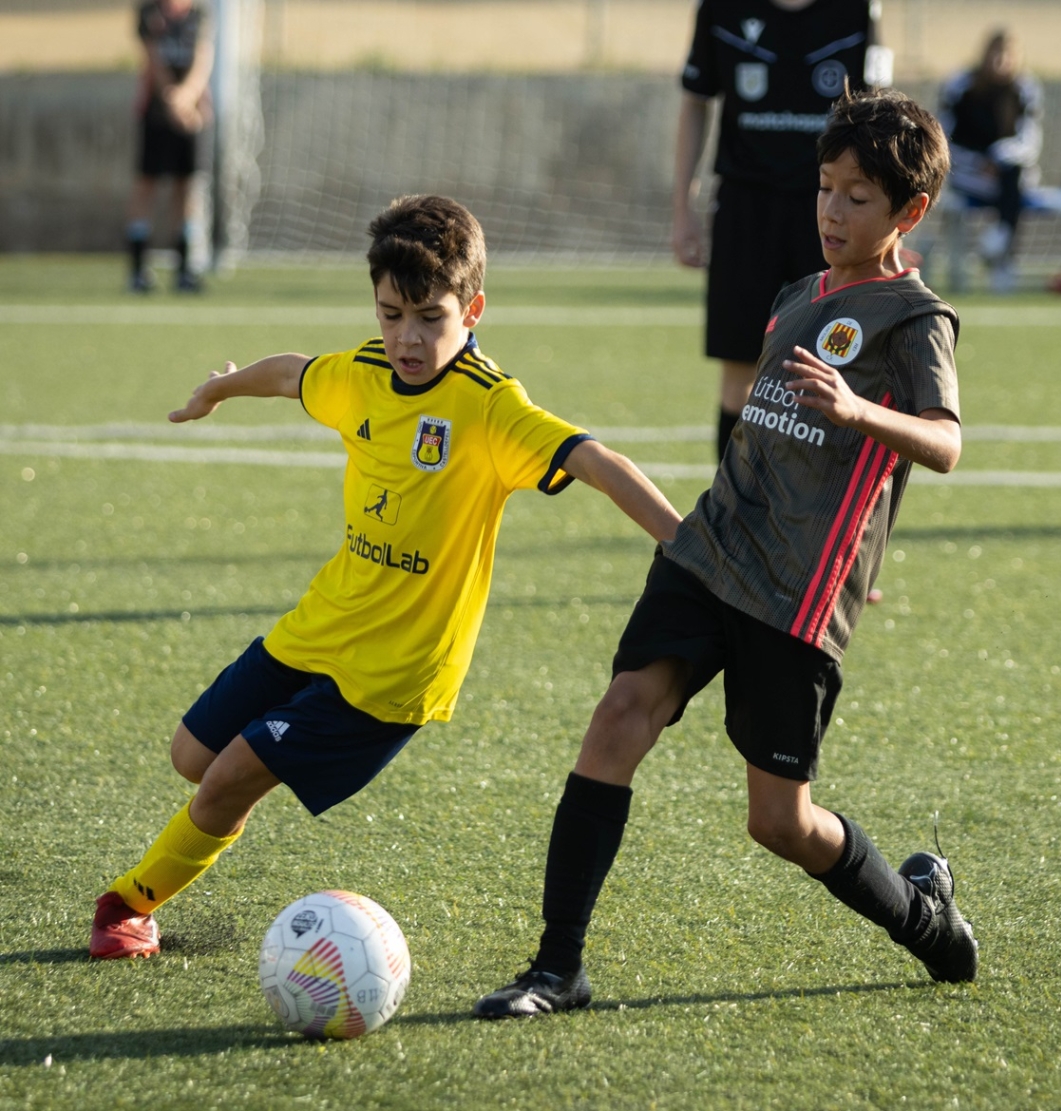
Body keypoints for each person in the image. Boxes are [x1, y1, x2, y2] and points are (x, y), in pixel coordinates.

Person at [475, 86, 977, 1020]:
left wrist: (860, 410)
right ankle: (556, 969)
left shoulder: (916, 321)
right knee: (619, 714)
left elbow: (946, 442)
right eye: (825, 188)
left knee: (778, 822)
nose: (831, 209)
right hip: (712, 553)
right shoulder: (797, 294)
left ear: (910, 211)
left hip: (797, 595)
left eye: (858, 196)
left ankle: (922, 914)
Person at [90, 195, 683, 960]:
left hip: (392, 674)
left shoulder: (490, 408)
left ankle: (128, 904)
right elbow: (293, 375)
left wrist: (685, 543)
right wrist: (219, 389)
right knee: (191, 756)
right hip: (322, 625)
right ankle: (195, 835)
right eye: (390, 313)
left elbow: (597, 462)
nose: (407, 336)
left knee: (227, 778)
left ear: (472, 310)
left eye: (429, 318)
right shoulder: (365, 373)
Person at [671, 0, 892, 461]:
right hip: (744, 209)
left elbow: (880, 118)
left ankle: (818, 509)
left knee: (837, 367)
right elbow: (696, 102)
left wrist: (886, 224)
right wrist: (682, 209)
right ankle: (732, 509)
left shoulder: (857, 11)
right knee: (740, 370)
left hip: (831, 207)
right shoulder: (721, 10)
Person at [939, 28, 1043, 293]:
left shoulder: (1025, 88)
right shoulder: (961, 86)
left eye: (1008, 55)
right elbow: (942, 138)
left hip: (1008, 173)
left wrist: (997, 158)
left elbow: (1029, 141)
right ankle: (999, 255)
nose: (1001, 61)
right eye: (996, 54)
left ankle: (999, 253)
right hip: (965, 174)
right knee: (1012, 186)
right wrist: (978, 163)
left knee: (1015, 178)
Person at [127, 0, 214, 294]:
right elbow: (152, 58)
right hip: (156, 112)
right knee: (146, 185)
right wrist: (172, 98)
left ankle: (185, 271)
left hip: (191, 114)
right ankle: (138, 271)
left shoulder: (200, 15)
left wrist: (188, 96)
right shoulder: (148, 13)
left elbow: (203, 58)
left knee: (186, 187)